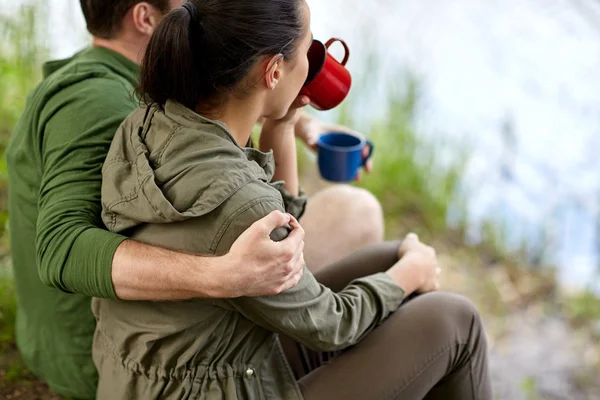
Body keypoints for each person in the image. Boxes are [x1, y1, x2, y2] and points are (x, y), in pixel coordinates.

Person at [92, 1, 493, 399]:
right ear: (274, 71)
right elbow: (332, 324)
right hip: (205, 389)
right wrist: (411, 275)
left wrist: (281, 127)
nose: (312, 63)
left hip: (165, 373)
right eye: (308, 49)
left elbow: (276, 220)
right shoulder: (238, 202)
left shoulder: (149, 122)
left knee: (389, 259)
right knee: (455, 321)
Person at [6, 0, 380, 398]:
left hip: (143, 339)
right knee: (355, 215)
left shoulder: (124, 80)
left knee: (338, 223)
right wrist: (222, 276)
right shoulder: (97, 105)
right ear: (145, 17)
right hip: (119, 358)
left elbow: (224, 106)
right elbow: (61, 248)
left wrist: (292, 120)